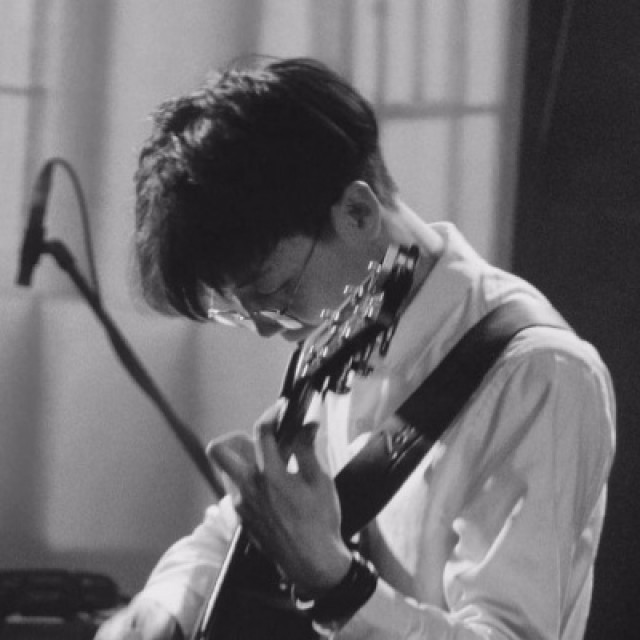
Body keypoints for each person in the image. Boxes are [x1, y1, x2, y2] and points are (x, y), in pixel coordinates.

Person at [96, 56, 616, 640]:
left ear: (357, 212)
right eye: (237, 312)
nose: (265, 329)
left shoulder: (539, 375)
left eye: (272, 292)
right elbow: (261, 523)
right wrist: (164, 606)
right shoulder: (350, 320)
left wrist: (335, 586)